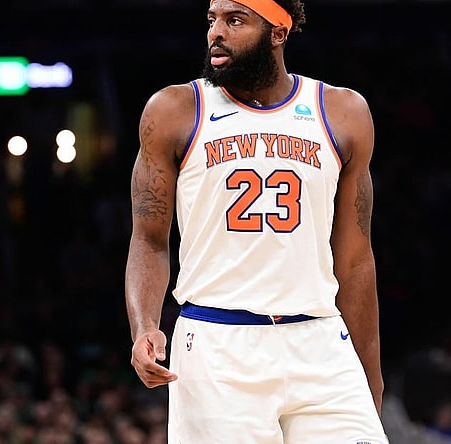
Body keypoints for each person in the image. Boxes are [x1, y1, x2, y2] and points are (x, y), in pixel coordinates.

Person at [124, 0, 388, 442]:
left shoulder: (343, 112)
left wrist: (370, 375)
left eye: (235, 20)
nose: (216, 33)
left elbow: (356, 259)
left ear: (278, 32)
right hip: (217, 345)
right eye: (212, 20)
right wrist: (145, 326)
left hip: (319, 340)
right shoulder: (173, 110)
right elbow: (149, 240)